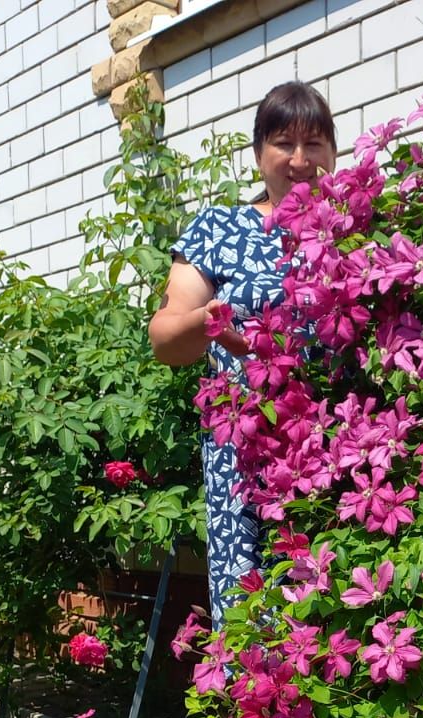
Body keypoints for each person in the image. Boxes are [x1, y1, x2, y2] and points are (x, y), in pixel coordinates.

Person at [148, 82, 337, 629]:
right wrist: (214, 321)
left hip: (340, 448)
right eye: (283, 143)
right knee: (253, 615)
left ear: (333, 153)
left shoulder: (355, 230)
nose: (300, 161)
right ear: (259, 155)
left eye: (315, 144)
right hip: (246, 454)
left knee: (340, 612)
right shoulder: (220, 230)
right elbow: (165, 337)